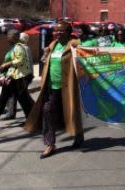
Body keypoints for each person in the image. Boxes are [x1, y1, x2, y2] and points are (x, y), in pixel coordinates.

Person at [24, 22, 84, 159]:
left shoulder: (74, 44)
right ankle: (50, 144)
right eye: (56, 31)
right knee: (47, 111)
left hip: (68, 87)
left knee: (72, 112)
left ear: (68, 32)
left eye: (61, 31)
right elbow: (46, 61)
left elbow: (87, 57)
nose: (57, 33)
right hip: (51, 87)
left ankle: (78, 135)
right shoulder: (53, 45)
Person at [0, 30, 34, 129]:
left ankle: (32, 120)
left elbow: (21, 60)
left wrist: (7, 64)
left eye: (9, 35)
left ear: (15, 37)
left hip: (19, 78)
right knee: (3, 99)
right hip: (12, 77)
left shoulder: (19, 47)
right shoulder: (13, 47)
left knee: (24, 100)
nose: (7, 37)